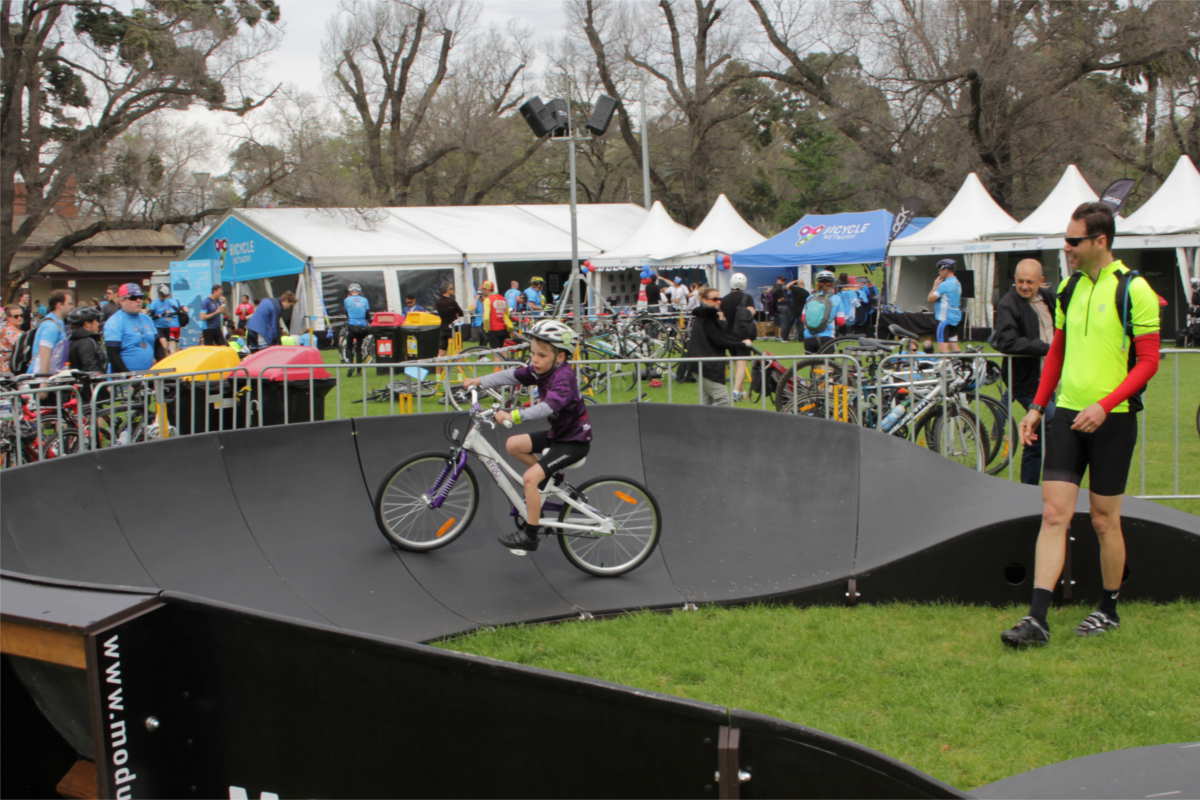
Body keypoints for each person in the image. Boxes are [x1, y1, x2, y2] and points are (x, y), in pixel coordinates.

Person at [1002, 201, 1161, 649]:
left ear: (1100, 241)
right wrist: (1036, 406)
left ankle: (1108, 608)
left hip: (1113, 420)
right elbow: (1057, 353)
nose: (1066, 248)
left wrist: (1106, 405)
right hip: (1066, 415)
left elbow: (1148, 363)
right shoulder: (1069, 289)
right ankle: (1037, 619)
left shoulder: (1136, 290)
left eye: (1074, 241)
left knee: (1105, 521)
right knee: (1053, 514)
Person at [461, 319, 592, 555]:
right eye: (533, 353)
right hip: (558, 435)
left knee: (530, 479)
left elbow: (547, 408)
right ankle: (552, 479)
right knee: (513, 445)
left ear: (560, 357)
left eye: (541, 355)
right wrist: (478, 382)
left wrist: (514, 415)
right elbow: (512, 375)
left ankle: (530, 535)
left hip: (574, 442)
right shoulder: (542, 369)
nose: (534, 360)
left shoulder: (564, 378)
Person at [992, 258, 1055, 485]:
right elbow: (1006, 342)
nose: (1025, 286)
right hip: (1026, 380)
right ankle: (1031, 487)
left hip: (1050, 377)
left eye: (1030, 282)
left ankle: (1037, 487)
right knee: (1049, 421)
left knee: (1038, 434)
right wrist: (1043, 347)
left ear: (1041, 282)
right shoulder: (1009, 303)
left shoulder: (1049, 298)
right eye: (1020, 281)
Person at [688, 286, 755, 406]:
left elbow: (720, 336)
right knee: (723, 400)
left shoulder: (706, 315)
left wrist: (722, 321)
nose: (718, 301)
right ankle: (722, 424)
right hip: (707, 365)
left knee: (707, 402)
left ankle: (704, 424)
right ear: (704, 299)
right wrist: (742, 344)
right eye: (714, 299)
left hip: (702, 364)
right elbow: (720, 340)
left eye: (720, 298)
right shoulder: (707, 316)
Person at [103, 283, 157, 373]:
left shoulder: (147, 319)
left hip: (148, 375)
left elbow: (158, 347)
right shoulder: (115, 321)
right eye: (133, 298)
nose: (139, 301)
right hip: (125, 377)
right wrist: (128, 376)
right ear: (121, 300)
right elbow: (113, 354)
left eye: (140, 297)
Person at [721, 272, 756, 401]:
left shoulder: (724, 299)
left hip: (728, 335)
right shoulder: (747, 298)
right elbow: (751, 313)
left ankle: (741, 392)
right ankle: (736, 392)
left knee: (737, 362)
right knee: (742, 363)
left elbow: (722, 317)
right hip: (743, 335)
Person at [25, 289, 75, 375]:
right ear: (59, 305)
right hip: (41, 377)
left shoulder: (58, 322)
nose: (72, 307)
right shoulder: (51, 325)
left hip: (52, 375)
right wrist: (43, 381)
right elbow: (44, 353)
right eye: (70, 303)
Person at [928, 258, 963, 353]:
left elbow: (930, 298)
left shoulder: (944, 285)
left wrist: (934, 286)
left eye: (940, 270)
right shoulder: (957, 283)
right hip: (954, 317)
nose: (939, 272)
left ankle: (947, 365)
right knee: (954, 345)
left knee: (943, 348)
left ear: (945, 269)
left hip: (943, 318)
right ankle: (959, 365)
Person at [800, 270, 839, 353]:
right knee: (828, 364)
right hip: (827, 337)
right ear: (833, 283)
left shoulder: (810, 298)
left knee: (812, 364)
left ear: (817, 283)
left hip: (809, 337)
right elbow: (841, 321)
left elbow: (803, 318)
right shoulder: (836, 298)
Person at [66, 306, 107, 373]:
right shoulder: (86, 342)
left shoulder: (74, 339)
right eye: (96, 320)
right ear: (87, 324)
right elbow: (91, 369)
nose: (98, 324)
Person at [149, 284, 183, 355]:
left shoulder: (168, 301)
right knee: (164, 345)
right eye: (163, 296)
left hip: (167, 326)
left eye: (165, 296)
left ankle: (165, 358)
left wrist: (179, 311)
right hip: (158, 327)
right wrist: (161, 315)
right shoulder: (154, 303)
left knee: (166, 346)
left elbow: (177, 311)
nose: (164, 298)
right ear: (159, 294)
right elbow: (151, 317)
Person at [478, 281, 513, 349]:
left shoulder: (488, 300)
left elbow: (486, 318)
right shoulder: (503, 298)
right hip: (504, 329)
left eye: (483, 289)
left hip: (493, 329)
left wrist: (486, 329)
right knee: (503, 351)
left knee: (496, 353)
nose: (482, 291)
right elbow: (507, 314)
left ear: (487, 289)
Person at [343, 283, 371, 369]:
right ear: (359, 291)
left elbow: (346, 313)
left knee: (349, 346)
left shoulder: (347, 300)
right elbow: (367, 314)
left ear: (350, 291)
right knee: (359, 347)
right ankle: (359, 369)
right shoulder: (365, 300)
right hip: (363, 326)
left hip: (352, 325)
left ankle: (351, 365)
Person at [434, 282, 463, 357]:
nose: (453, 290)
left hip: (443, 328)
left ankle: (438, 368)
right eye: (451, 288)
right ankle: (460, 367)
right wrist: (456, 314)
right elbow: (461, 313)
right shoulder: (452, 301)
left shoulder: (438, 302)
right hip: (453, 328)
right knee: (458, 350)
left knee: (441, 351)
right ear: (448, 290)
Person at [1, 304, 26, 374]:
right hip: (7, 369)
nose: (20, 318)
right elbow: (24, 345)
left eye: (21, 315)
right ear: (8, 318)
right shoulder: (10, 331)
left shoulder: (6, 328)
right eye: (16, 316)